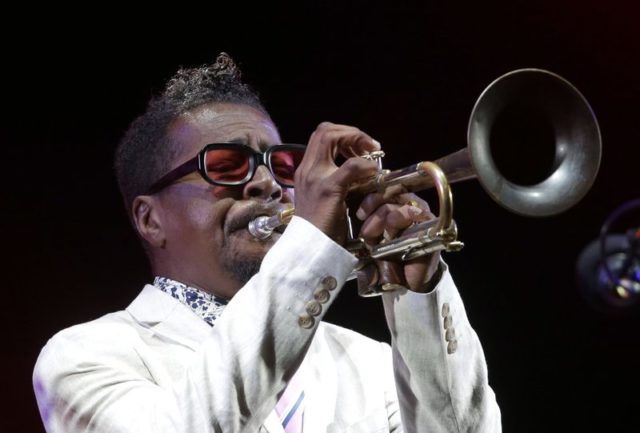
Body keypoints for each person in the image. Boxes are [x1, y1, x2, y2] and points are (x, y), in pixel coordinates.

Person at [33, 52, 501, 433]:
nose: (268, 184)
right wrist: (312, 247)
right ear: (150, 219)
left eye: (281, 166)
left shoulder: (369, 362)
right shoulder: (85, 356)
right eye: (227, 165)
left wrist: (420, 296)